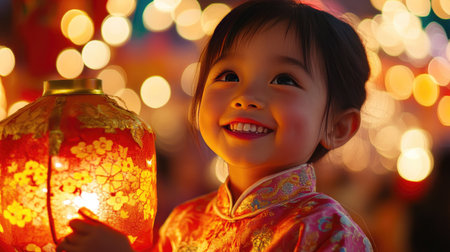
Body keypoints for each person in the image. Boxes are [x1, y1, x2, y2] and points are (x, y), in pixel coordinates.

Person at [57, 0, 373, 251]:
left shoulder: (328, 232)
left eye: (284, 79)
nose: (246, 97)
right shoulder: (183, 224)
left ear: (339, 126)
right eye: (228, 76)